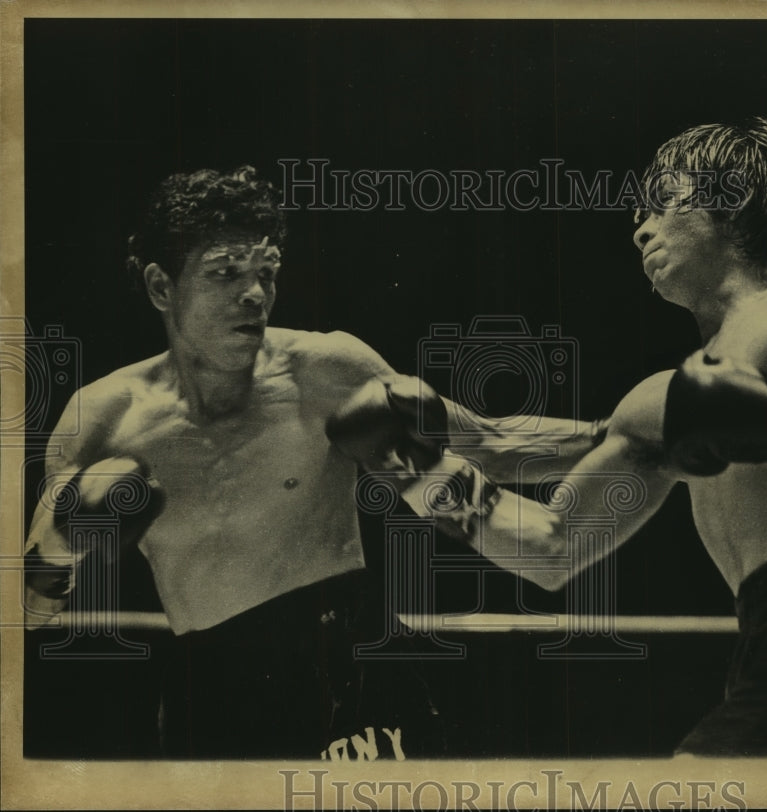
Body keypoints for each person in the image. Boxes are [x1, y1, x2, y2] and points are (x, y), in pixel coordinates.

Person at [330, 118, 767, 756]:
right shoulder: (665, 401)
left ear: (731, 196)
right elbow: (550, 547)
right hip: (766, 657)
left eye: (663, 201)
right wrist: (418, 468)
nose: (640, 227)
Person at [22, 166, 600, 759]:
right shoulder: (102, 418)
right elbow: (28, 611)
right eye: (226, 273)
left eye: (266, 273)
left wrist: (630, 439)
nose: (254, 294)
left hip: (347, 668)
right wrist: (59, 545)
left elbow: (491, 444)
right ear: (161, 287)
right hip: (210, 690)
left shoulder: (325, 369)